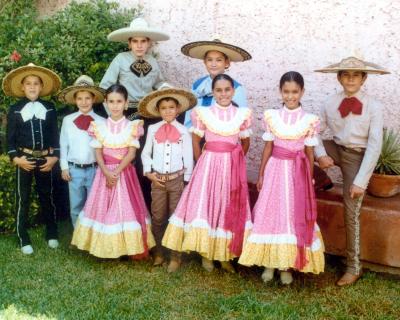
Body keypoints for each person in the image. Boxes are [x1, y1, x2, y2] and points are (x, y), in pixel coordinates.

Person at [239, 71, 325, 284]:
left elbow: (309, 153)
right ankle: (269, 262)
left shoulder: (309, 121)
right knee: (273, 211)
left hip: (297, 173)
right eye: (286, 92)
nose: (290, 96)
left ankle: (286, 264)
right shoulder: (272, 117)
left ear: (302, 92)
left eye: (295, 92)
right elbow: (268, 147)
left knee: (291, 213)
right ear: (280, 91)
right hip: (276, 170)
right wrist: (261, 174)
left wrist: (310, 179)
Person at [162, 74, 252, 273]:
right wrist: (200, 160)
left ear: (233, 91)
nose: (223, 94)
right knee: (208, 205)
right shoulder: (203, 113)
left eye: (227, 90)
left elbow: (245, 141)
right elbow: (195, 139)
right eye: (218, 90)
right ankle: (206, 255)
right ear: (213, 92)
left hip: (231, 167)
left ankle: (224, 255)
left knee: (225, 205)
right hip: (209, 163)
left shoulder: (242, 114)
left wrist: (235, 158)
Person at [314, 56, 389, 286]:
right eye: (345, 74)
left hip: (358, 156)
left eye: (356, 75)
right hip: (336, 148)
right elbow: (313, 132)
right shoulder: (328, 102)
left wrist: (361, 181)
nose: (350, 79)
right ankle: (323, 179)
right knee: (299, 148)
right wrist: (320, 155)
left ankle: (354, 266)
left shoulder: (374, 106)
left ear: (364, 78)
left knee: (351, 207)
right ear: (338, 77)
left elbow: (375, 145)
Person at [71, 84, 155, 258]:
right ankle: (103, 246)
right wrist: (106, 171)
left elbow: (131, 153)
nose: (115, 105)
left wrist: (116, 171)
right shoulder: (98, 126)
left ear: (126, 104)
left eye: (119, 101)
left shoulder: (133, 126)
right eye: (111, 101)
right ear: (106, 104)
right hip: (104, 173)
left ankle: (125, 247)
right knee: (102, 208)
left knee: (124, 207)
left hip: (124, 173)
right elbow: (98, 152)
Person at [100, 17, 172, 210]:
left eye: (143, 41)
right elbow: (105, 87)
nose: (139, 45)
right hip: (128, 112)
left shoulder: (153, 62)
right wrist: (115, 115)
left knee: (148, 154)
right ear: (129, 42)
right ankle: (126, 204)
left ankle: (149, 205)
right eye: (135, 41)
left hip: (149, 112)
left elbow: (159, 83)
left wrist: (167, 89)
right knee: (129, 154)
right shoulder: (120, 59)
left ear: (149, 42)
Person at [4, 63, 61, 254]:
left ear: (41, 86)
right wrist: (16, 159)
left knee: (48, 196)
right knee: (23, 198)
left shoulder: (50, 108)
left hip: (46, 160)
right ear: (22, 87)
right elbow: (9, 140)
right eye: (28, 83)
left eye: (36, 83)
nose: (32, 87)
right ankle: (23, 237)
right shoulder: (15, 109)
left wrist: (54, 157)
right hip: (25, 160)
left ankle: (52, 233)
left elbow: (55, 135)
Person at [139, 88, 196, 272]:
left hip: (176, 180)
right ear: (158, 110)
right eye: (164, 108)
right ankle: (159, 252)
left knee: (175, 218)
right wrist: (149, 172)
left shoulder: (184, 131)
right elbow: (146, 153)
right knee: (158, 217)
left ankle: (175, 255)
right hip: (158, 181)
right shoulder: (152, 129)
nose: (168, 111)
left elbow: (188, 157)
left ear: (178, 109)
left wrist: (186, 180)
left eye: (171, 107)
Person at [58, 75, 105, 227]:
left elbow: (104, 148)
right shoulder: (68, 120)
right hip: (74, 170)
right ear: (75, 100)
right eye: (80, 98)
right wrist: (64, 167)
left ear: (93, 99)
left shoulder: (101, 122)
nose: (84, 102)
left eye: (87, 98)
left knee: (94, 205)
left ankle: (92, 237)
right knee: (76, 205)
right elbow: (63, 145)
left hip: (94, 169)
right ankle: (77, 237)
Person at [179, 39, 251, 127]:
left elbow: (241, 119)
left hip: (223, 135)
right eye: (210, 60)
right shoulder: (197, 85)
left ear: (227, 63)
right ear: (204, 62)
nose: (213, 64)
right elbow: (189, 115)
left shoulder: (236, 88)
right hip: (197, 135)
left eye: (219, 60)